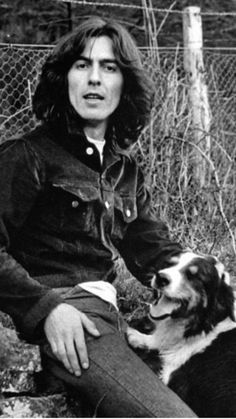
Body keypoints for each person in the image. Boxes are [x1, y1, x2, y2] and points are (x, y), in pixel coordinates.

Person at [0, 17, 196, 417]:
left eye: (109, 68)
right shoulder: (27, 156)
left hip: (114, 319)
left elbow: (152, 249)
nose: (95, 79)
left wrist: (213, 285)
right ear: (63, 78)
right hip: (72, 319)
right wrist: (47, 309)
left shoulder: (124, 168)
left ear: (125, 85)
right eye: (82, 65)